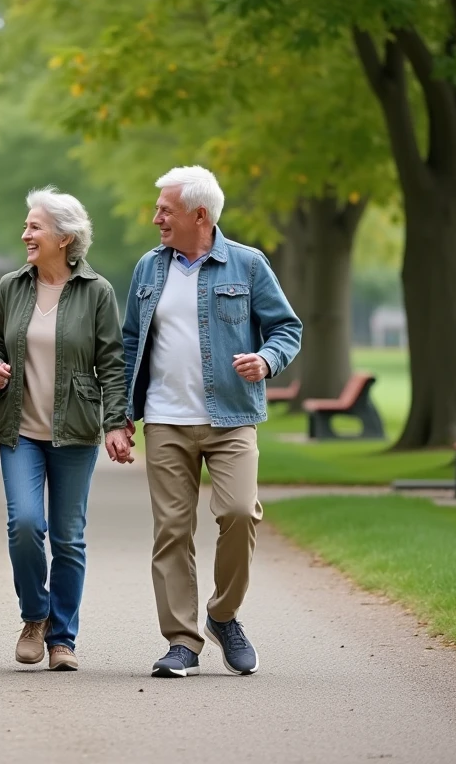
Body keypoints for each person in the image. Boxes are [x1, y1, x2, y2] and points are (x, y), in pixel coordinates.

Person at [118, 165, 301, 678]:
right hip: (165, 421)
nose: (156, 218)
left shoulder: (248, 264)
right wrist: (121, 415)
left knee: (240, 513)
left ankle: (222, 615)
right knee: (172, 531)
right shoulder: (148, 269)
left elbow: (286, 328)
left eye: (165, 210)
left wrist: (266, 359)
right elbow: (131, 342)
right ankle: (182, 642)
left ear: (199, 215)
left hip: (232, 418)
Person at [0, 186, 131, 672]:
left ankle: (62, 639)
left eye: (35, 227)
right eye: (26, 226)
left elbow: (113, 363)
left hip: (75, 431)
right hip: (20, 428)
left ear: (64, 238)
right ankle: (35, 617)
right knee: (25, 524)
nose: (25, 234)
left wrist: (115, 423)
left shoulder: (97, 291)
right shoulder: (12, 286)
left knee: (68, 538)